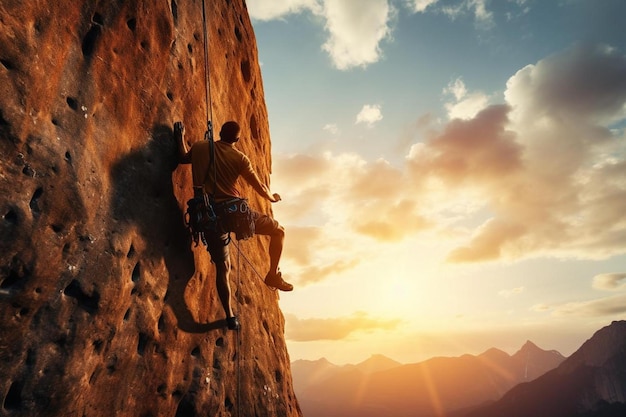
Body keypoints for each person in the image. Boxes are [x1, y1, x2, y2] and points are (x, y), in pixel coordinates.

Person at [175, 120, 293, 331]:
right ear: (237, 139)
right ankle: (273, 274)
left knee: (223, 267)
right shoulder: (239, 158)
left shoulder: (202, 147)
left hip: (207, 216)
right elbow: (259, 187)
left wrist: (179, 137)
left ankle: (230, 316)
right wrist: (272, 198)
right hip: (235, 215)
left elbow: (183, 158)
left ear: (219, 132)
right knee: (278, 231)